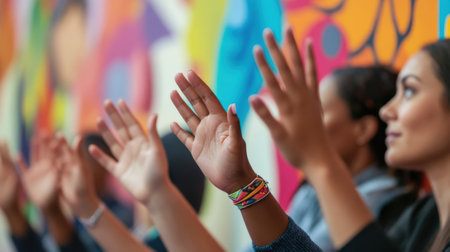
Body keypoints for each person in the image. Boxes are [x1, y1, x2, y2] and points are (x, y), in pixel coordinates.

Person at [286, 65, 420, 251]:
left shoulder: (379, 198)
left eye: (319, 112)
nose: (309, 124)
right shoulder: (310, 190)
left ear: (363, 129)